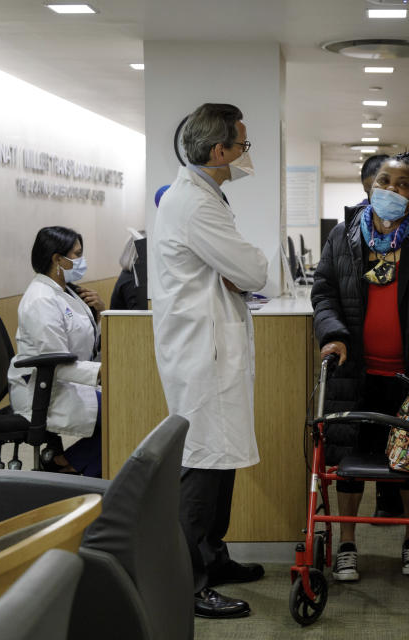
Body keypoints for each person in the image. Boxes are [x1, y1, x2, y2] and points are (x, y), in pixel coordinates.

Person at [312, 151, 409, 582]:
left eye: (402, 184)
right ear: (368, 186)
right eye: (385, 181)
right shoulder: (343, 236)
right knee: (346, 459)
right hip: (354, 370)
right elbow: (324, 292)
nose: (392, 190)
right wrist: (333, 334)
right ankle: (346, 545)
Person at [151, 103, 268, 619]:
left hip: (213, 349)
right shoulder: (195, 205)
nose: (246, 154)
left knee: (219, 464)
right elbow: (254, 269)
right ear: (218, 151)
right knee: (201, 466)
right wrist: (241, 271)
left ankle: (213, 559)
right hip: (202, 355)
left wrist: (237, 273)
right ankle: (189, 583)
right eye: (242, 145)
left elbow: (240, 273)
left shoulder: (203, 197)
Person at [8, 226, 105, 477]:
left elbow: (84, 343)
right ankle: (69, 466)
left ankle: (67, 463)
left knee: (124, 407)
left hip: (68, 383)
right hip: (44, 391)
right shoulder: (41, 299)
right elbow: (56, 360)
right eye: (77, 254)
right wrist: (101, 373)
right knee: (124, 411)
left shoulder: (67, 291)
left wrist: (99, 313)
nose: (81, 261)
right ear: (57, 259)